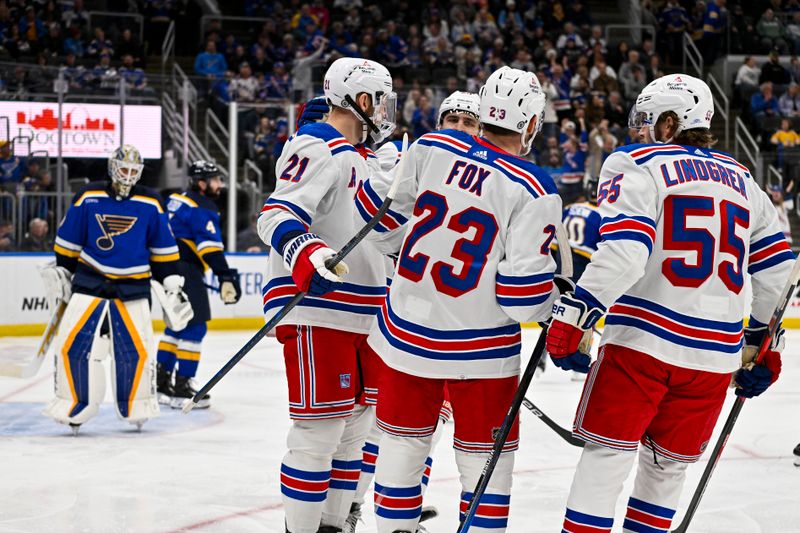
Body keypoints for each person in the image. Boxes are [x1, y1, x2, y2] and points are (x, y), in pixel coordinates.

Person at [545, 74, 794, 532]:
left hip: (641, 344)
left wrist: (576, 314)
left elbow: (624, 252)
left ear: (669, 124)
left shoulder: (636, 163)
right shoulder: (745, 182)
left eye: (646, 121)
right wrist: (763, 341)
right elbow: (778, 275)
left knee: (607, 457)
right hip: (713, 359)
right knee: (666, 471)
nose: (638, 131)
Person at [363, 66, 562, 532]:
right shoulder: (534, 186)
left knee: (401, 452)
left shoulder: (429, 147)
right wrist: (555, 298)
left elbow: (385, 228)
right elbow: (519, 298)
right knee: (484, 472)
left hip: (404, 337)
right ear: (531, 123)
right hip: (482, 354)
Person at [256, 57, 396, 533]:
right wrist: (305, 254)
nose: (386, 110)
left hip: (365, 313)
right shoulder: (317, 142)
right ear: (361, 101)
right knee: (319, 432)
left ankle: (333, 526)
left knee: (356, 429)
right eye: (381, 99)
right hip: (322, 310)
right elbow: (276, 214)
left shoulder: (367, 157)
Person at [346, 90, 482, 531]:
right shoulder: (416, 158)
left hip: (454, 323)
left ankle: (405, 502)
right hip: (399, 314)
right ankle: (355, 503)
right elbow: (374, 219)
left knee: (430, 426)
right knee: (380, 425)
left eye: (469, 122)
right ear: (439, 123)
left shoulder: (492, 176)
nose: (460, 127)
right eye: (454, 119)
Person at [42, 145, 193, 434]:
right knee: (72, 345)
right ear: (112, 168)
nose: (128, 176)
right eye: (123, 169)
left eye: (134, 171)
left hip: (133, 286)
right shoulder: (89, 196)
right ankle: (75, 403)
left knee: (135, 350)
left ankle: (136, 403)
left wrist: (170, 279)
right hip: (90, 281)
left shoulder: (151, 201)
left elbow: (162, 249)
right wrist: (64, 270)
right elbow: (68, 241)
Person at [156, 160, 242, 409]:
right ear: (202, 183)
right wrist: (224, 275)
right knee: (195, 327)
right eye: (215, 179)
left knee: (176, 325)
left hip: (165, 270)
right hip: (186, 271)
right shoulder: (202, 206)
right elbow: (210, 248)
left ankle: (161, 381)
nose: (219, 184)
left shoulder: (176, 200)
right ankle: (182, 386)